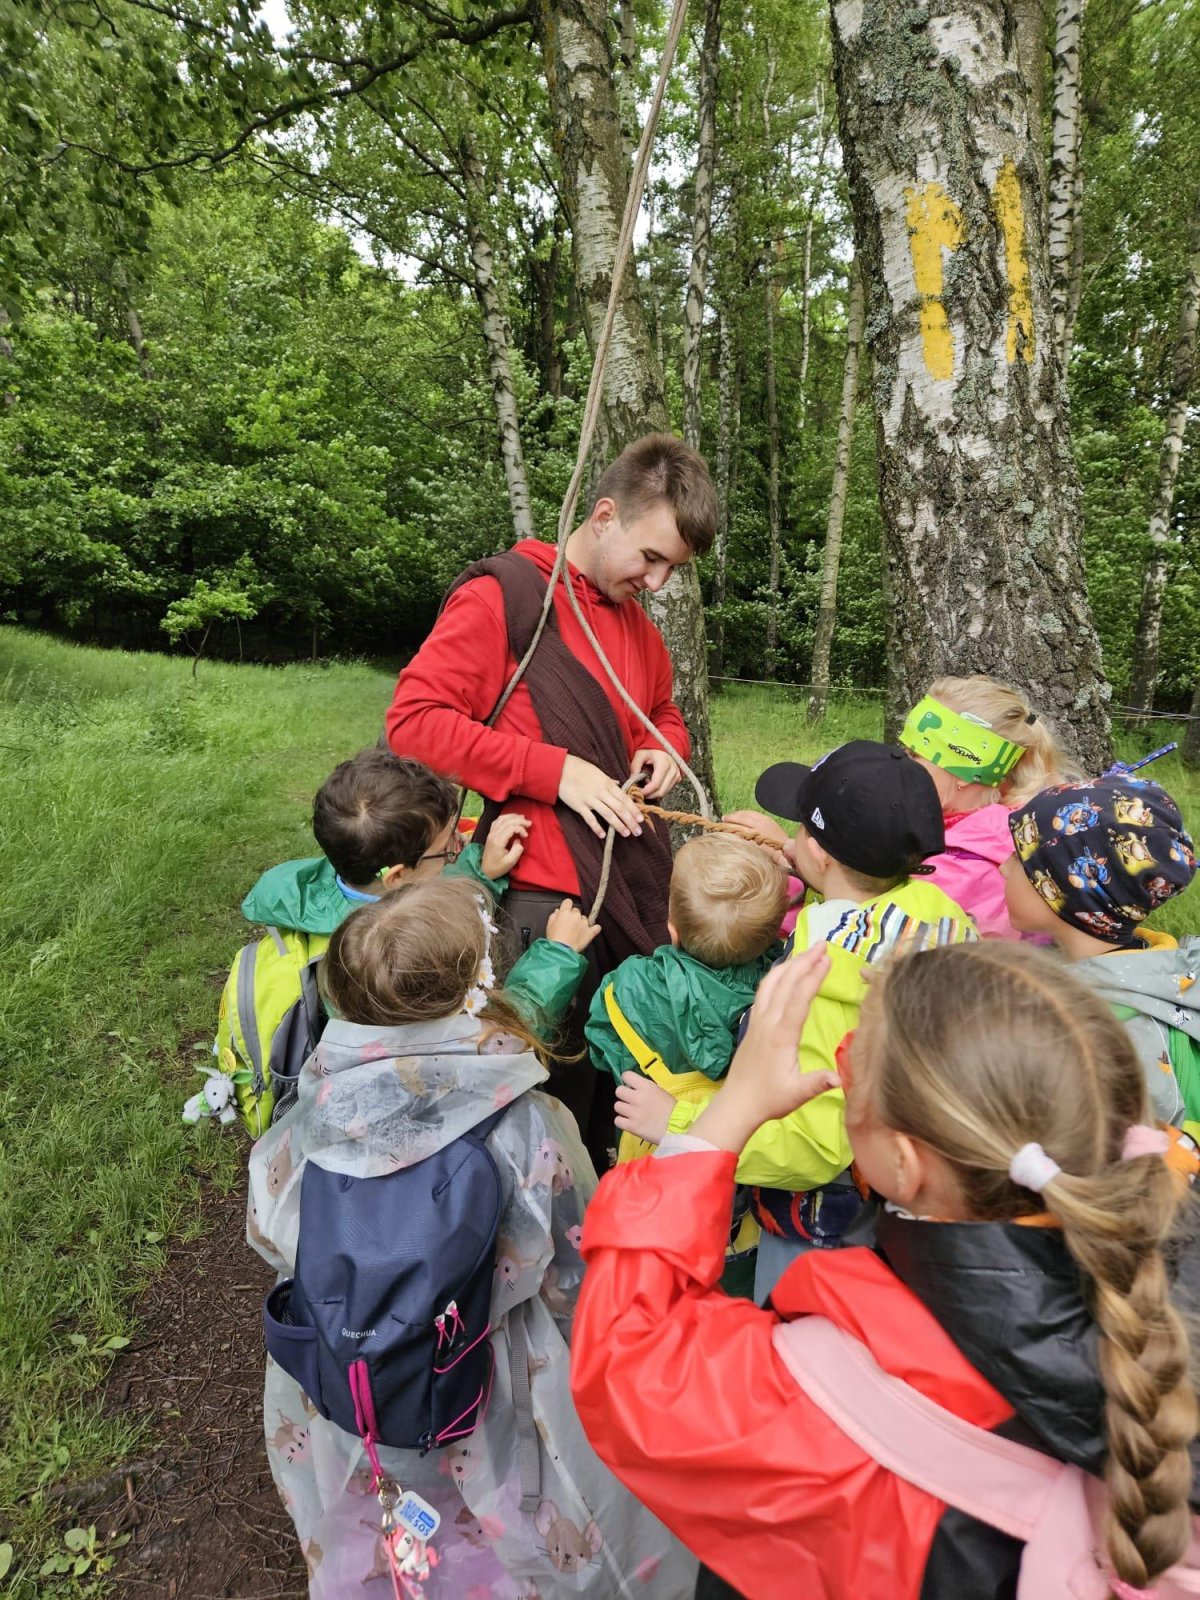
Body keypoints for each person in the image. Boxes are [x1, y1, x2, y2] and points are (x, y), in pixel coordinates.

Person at [570, 941, 1200, 1600]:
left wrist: (728, 1113)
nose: (841, 1069)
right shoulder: (1159, 1262)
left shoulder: (829, 1395)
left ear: (905, 1163)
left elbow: (628, 1355)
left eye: (850, 1063)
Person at [248, 877, 696, 1600]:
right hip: (497, 1371)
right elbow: (573, 1263)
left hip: (350, 1371)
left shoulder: (309, 1117)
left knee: (388, 1506)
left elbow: (272, 1234)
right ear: (472, 990)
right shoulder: (526, 1122)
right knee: (517, 1507)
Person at [386, 433, 718, 1163]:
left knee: (611, 1104)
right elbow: (414, 723)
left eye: (673, 568)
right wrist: (553, 771)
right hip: (539, 903)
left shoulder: (637, 626)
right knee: (538, 1113)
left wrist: (666, 746)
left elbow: (661, 710)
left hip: (627, 890)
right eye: (650, 558)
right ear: (604, 515)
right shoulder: (506, 598)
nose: (658, 582)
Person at [614, 741, 976, 1302]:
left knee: (785, 1321)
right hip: (909, 1197)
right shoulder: (930, 911)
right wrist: (805, 868)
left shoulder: (827, 985)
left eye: (801, 826)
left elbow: (811, 1148)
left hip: (821, 1226)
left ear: (823, 854)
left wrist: (680, 1125)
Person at [586, 833, 789, 1294]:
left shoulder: (630, 988)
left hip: (657, 1178)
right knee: (736, 1274)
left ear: (672, 929)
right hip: (748, 1182)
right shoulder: (784, 988)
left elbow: (603, 1046)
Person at [1001, 774, 1199, 1124]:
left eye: (1019, 858)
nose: (1003, 867)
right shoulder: (1163, 972)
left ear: (1064, 889)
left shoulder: (1102, 1041)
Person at [240, 747, 528, 940]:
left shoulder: (345, 872)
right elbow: (447, 916)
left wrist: (472, 866)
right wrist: (480, 878)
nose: (462, 840)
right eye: (447, 847)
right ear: (396, 876)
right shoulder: (396, 946)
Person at [897, 674, 1077, 939]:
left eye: (914, 755)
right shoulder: (1008, 831)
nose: (900, 764)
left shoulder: (959, 867)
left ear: (964, 770)